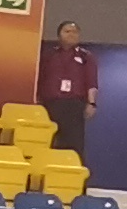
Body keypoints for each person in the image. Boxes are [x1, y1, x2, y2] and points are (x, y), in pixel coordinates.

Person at [38, 23, 97, 155]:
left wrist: (92, 103)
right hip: (50, 104)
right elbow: (40, 77)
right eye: (67, 31)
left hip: (74, 106)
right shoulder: (48, 55)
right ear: (59, 35)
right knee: (50, 140)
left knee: (73, 144)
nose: (71, 34)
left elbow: (91, 81)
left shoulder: (86, 56)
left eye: (75, 32)